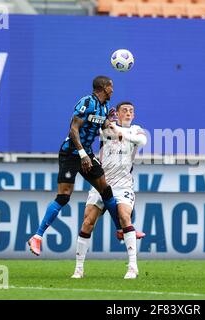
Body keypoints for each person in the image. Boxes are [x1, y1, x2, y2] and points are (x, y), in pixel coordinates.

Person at [28, 76, 127, 256]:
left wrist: (112, 126)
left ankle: (120, 229)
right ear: (104, 87)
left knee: (106, 190)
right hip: (71, 154)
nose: (113, 89)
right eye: (111, 86)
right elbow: (74, 129)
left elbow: (100, 126)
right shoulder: (86, 102)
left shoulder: (104, 107)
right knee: (64, 196)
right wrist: (82, 155)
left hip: (86, 154)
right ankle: (37, 236)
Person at [71, 101, 147, 279]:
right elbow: (90, 129)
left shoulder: (136, 130)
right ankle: (79, 269)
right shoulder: (106, 129)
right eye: (124, 110)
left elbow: (141, 141)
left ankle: (132, 267)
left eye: (131, 111)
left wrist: (119, 132)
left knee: (124, 216)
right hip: (101, 184)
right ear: (118, 114)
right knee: (87, 222)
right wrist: (105, 122)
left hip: (123, 186)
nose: (128, 113)